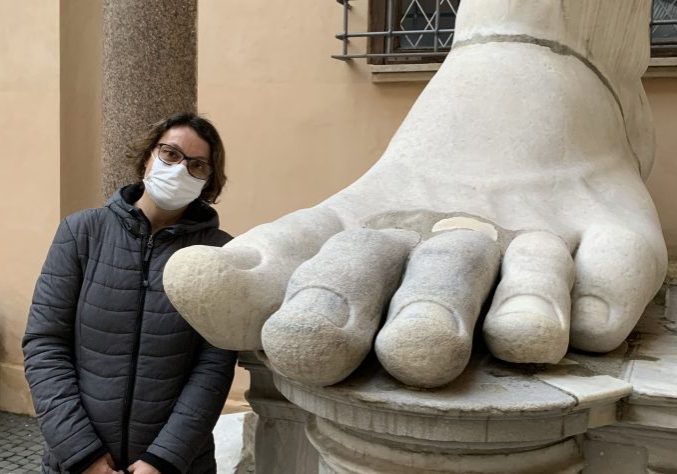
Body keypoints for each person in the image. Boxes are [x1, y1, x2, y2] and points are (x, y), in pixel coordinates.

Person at [23, 112, 237, 474]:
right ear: (147, 157)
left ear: (208, 181)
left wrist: (162, 460)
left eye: (197, 165)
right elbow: (45, 343)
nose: (180, 170)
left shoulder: (218, 254)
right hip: (77, 461)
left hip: (176, 464)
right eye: (170, 154)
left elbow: (214, 366)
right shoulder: (82, 232)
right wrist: (82, 454)